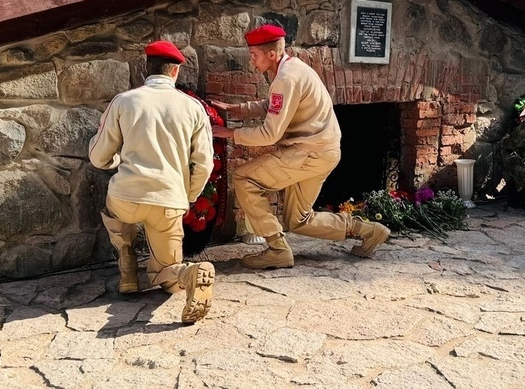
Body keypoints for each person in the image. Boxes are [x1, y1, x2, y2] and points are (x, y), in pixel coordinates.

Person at [211, 24, 390, 269]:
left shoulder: (286, 79)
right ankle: (370, 231)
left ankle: (276, 249)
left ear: (271, 54)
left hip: (308, 154)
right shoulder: (293, 68)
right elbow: (274, 106)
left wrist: (230, 133)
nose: (252, 62)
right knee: (298, 220)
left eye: (254, 56)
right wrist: (237, 109)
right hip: (323, 152)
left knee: (244, 178)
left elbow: (269, 134)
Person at [89, 40, 216, 324]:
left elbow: (99, 157)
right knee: (166, 272)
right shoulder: (194, 108)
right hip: (169, 201)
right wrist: (189, 196)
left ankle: (127, 266)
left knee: (113, 209)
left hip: (127, 199)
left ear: (145, 68)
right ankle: (187, 274)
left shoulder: (124, 101)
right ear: (175, 72)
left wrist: (116, 163)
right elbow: (205, 162)